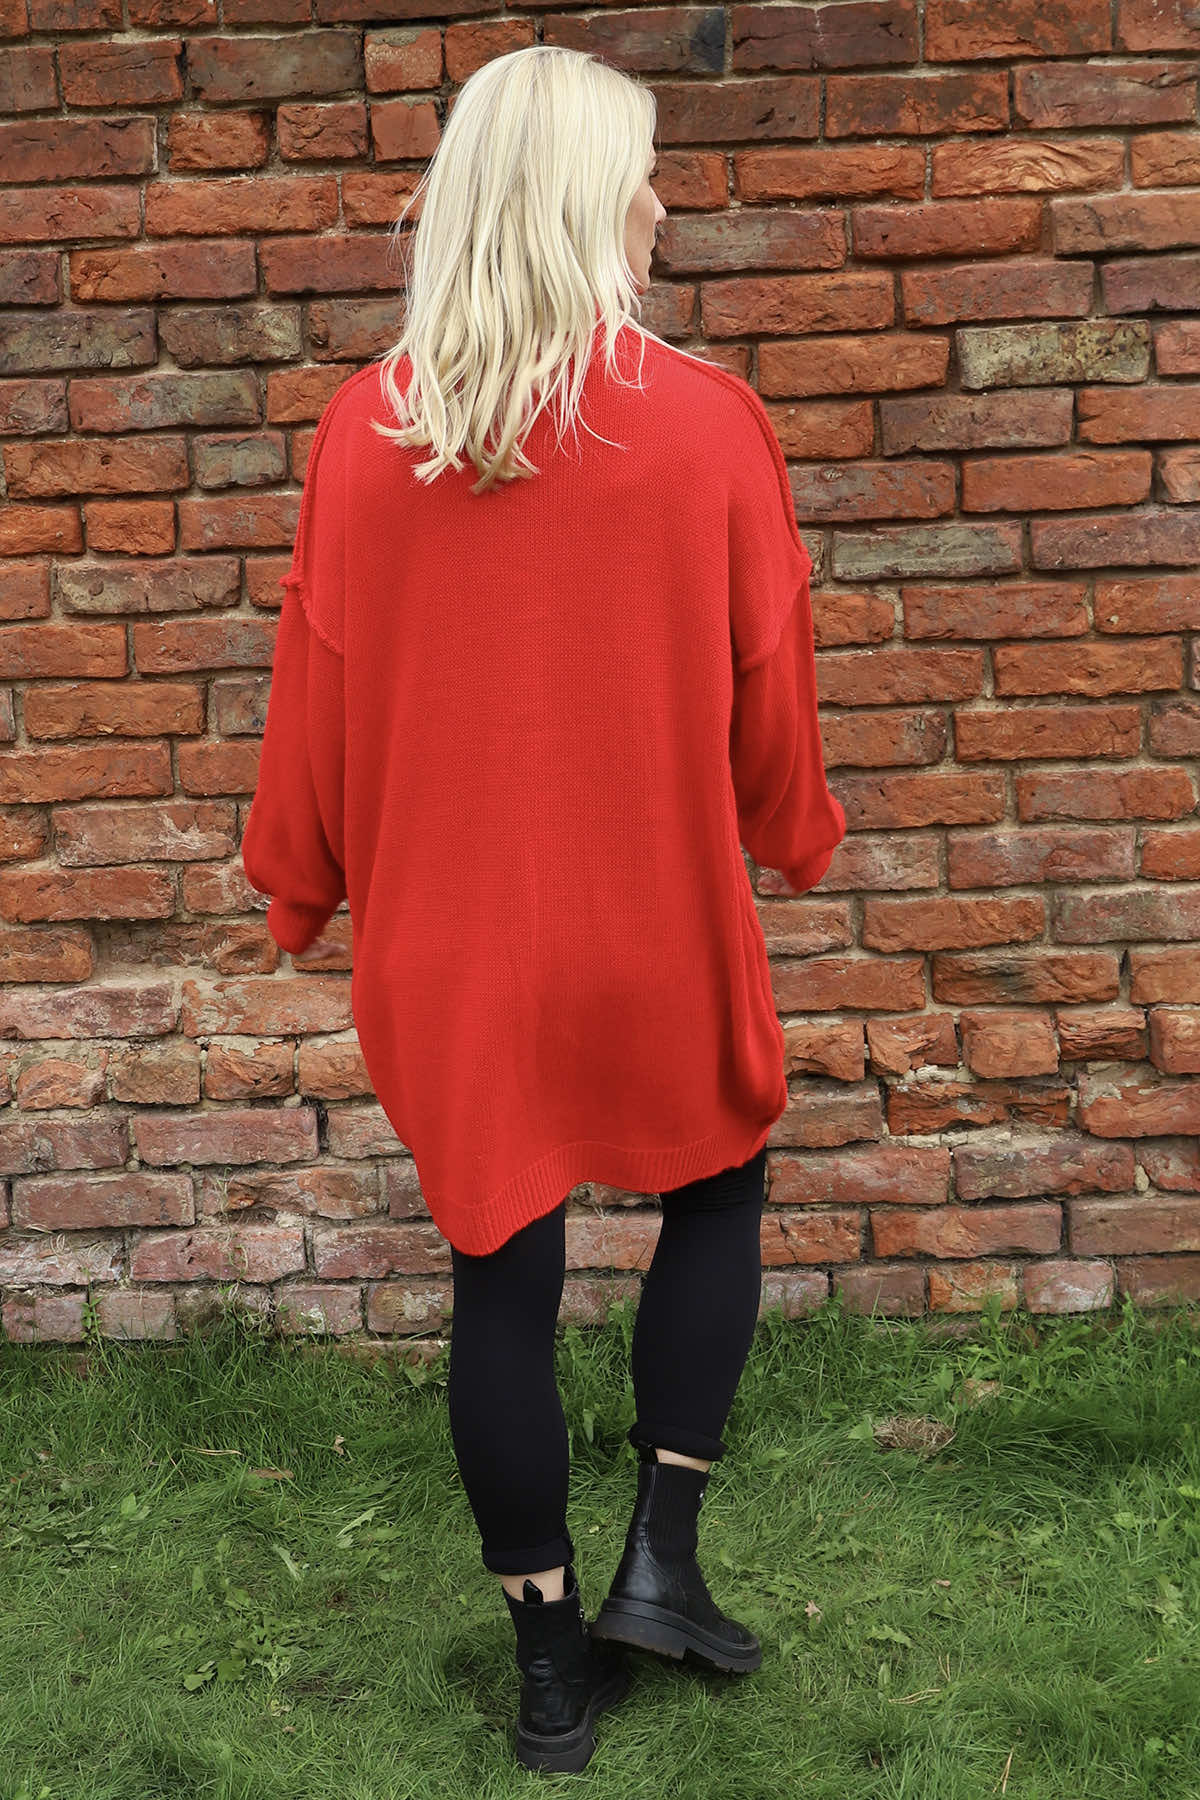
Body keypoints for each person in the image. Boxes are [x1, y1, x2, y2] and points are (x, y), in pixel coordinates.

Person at [241, 43, 846, 1777]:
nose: (664, 203)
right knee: (717, 1183)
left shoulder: (370, 433)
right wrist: (794, 831)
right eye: (646, 171)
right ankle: (664, 1560)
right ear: (589, 195)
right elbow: (767, 681)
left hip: (456, 947)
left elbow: (315, 689)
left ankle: (549, 1673)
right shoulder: (709, 423)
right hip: (652, 914)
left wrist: (299, 887)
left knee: (498, 1271)